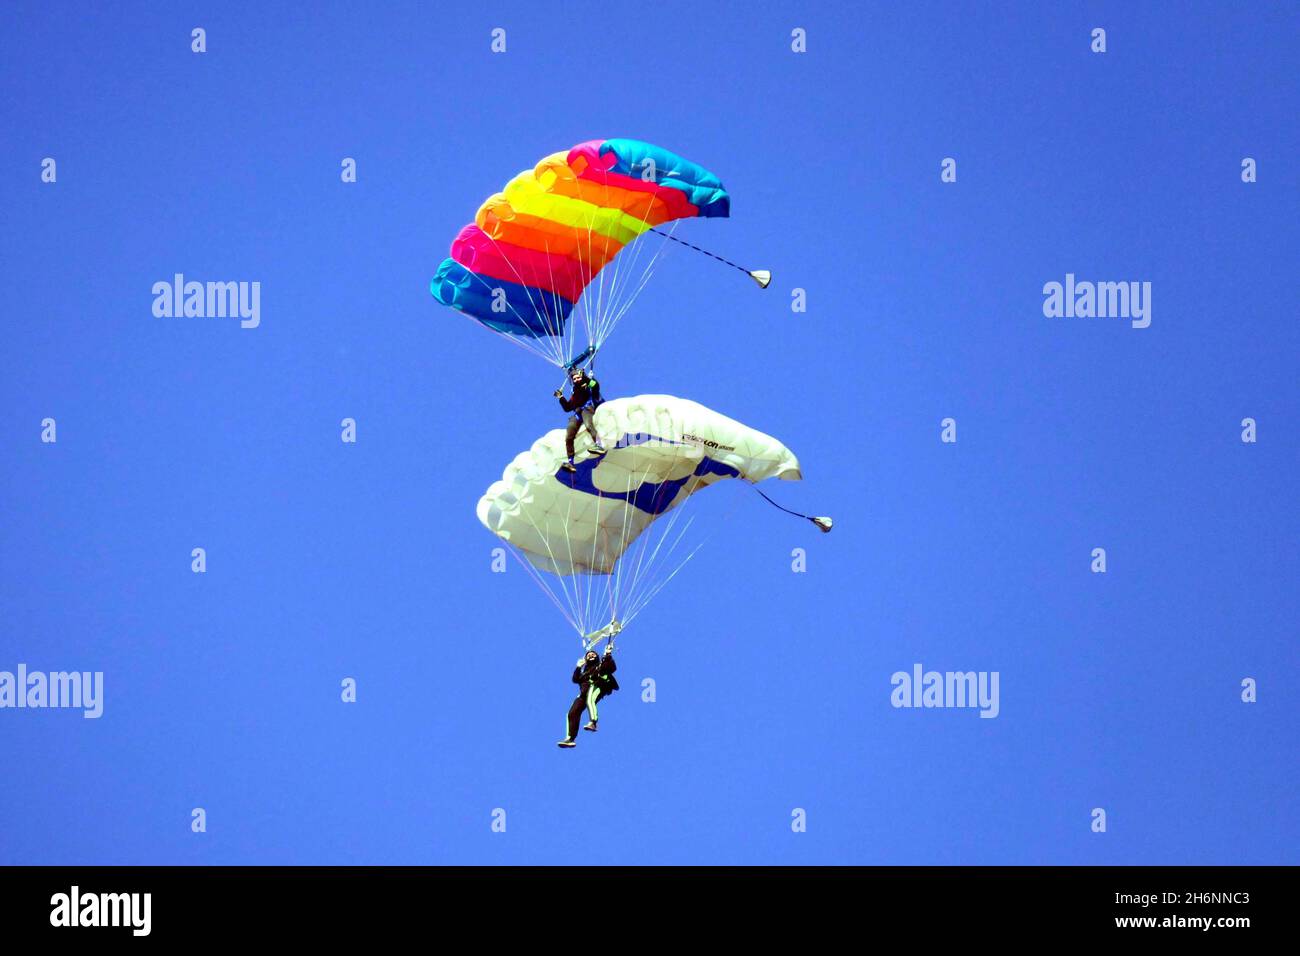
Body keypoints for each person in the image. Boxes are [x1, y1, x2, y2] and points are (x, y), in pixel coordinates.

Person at [557, 645, 619, 748]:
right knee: (572, 712)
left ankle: (593, 722)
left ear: (597, 657)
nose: (590, 655)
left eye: (593, 654)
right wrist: (578, 667)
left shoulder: (600, 665)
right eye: (588, 655)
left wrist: (607, 654)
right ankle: (570, 738)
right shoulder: (584, 673)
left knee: (590, 700)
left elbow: (612, 668)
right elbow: (575, 679)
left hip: (598, 686)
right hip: (583, 693)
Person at [554, 367, 606, 472]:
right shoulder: (575, 393)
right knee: (569, 436)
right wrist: (561, 398)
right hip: (577, 413)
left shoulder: (588, 386)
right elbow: (568, 408)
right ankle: (570, 462)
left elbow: (596, 386)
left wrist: (585, 378)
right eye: (574, 379)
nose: (576, 380)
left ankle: (599, 445)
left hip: (587, 409)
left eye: (578, 377)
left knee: (589, 425)